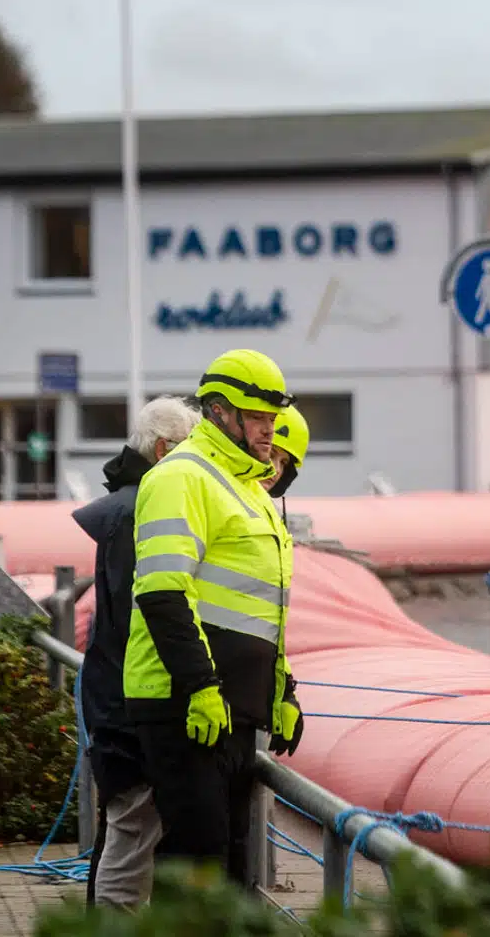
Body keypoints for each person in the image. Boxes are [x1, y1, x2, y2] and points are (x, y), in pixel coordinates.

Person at [125, 349, 303, 890]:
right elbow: (161, 590)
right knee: (197, 869)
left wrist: (282, 688)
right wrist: (200, 687)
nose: (269, 432)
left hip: (232, 710)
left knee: (230, 870)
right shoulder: (182, 477)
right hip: (185, 706)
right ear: (220, 412)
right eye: (258, 418)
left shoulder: (252, 489)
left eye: (274, 420)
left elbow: (262, 607)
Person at [71, 395, 199, 909]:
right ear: (165, 450)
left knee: (121, 834)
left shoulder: (125, 504)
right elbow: (142, 614)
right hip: (131, 703)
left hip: (115, 695)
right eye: (192, 451)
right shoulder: (140, 512)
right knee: (129, 840)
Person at [259, 404, 310, 759]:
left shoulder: (266, 519)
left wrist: (284, 689)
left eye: (283, 463)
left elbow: (263, 619)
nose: (274, 471)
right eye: (271, 456)